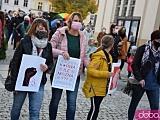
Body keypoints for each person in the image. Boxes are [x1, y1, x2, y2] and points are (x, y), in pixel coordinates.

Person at [10, 18, 53, 120]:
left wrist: (47, 67)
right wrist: (15, 81)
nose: (41, 30)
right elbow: (15, 62)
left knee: (34, 111)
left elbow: (50, 63)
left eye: (43, 28)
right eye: (39, 28)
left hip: (38, 82)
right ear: (33, 28)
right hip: (22, 81)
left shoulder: (48, 45)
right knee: (16, 108)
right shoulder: (25, 41)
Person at [49, 12, 89, 120]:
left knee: (72, 104)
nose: (78, 23)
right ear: (70, 21)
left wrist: (89, 66)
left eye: (80, 21)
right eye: (76, 20)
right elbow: (50, 49)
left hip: (74, 75)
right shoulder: (60, 33)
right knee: (55, 100)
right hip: (59, 72)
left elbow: (84, 56)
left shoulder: (83, 37)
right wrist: (61, 53)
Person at [128, 30, 160, 120]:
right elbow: (134, 64)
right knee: (134, 104)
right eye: (159, 41)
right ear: (154, 40)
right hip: (141, 82)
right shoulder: (143, 49)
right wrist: (140, 78)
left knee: (155, 107)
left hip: (154, 84)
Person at [82, 35, 116, 120]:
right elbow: (90, 71)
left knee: (96, 109)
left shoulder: (109, 56)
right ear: (112, 45)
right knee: (94, 109)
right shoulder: (99, 56)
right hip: (94, 86)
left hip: (102, 86)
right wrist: (106, 74)